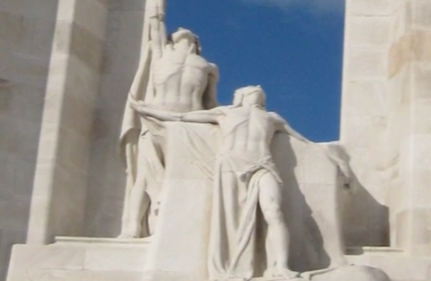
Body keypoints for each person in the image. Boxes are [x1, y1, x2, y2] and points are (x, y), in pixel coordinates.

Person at [132, 86, 323, 280]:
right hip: (231, 165)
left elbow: (302, 140)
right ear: (240, 96)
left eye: (259, 93)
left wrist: (331, 156)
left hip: (262, 165)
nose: (257, 92)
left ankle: (281, 265)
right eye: (251, 92)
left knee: (273, 211)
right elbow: (182, 117)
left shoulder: (272, 118)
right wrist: (147, 111)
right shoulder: (224, 112)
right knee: (230, 215)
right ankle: (235, 264)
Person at [118, 0, 219, 238]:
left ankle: (177, 233)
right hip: (154, 118)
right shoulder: (163, 53)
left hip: (189, 125)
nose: (179, 32)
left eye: (184, 34)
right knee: (144, 179)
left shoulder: (205, 66)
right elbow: (155, 20)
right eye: (177, 33)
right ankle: (131, 230)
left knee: (182, 182)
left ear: (193, 41)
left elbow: (212, 104)